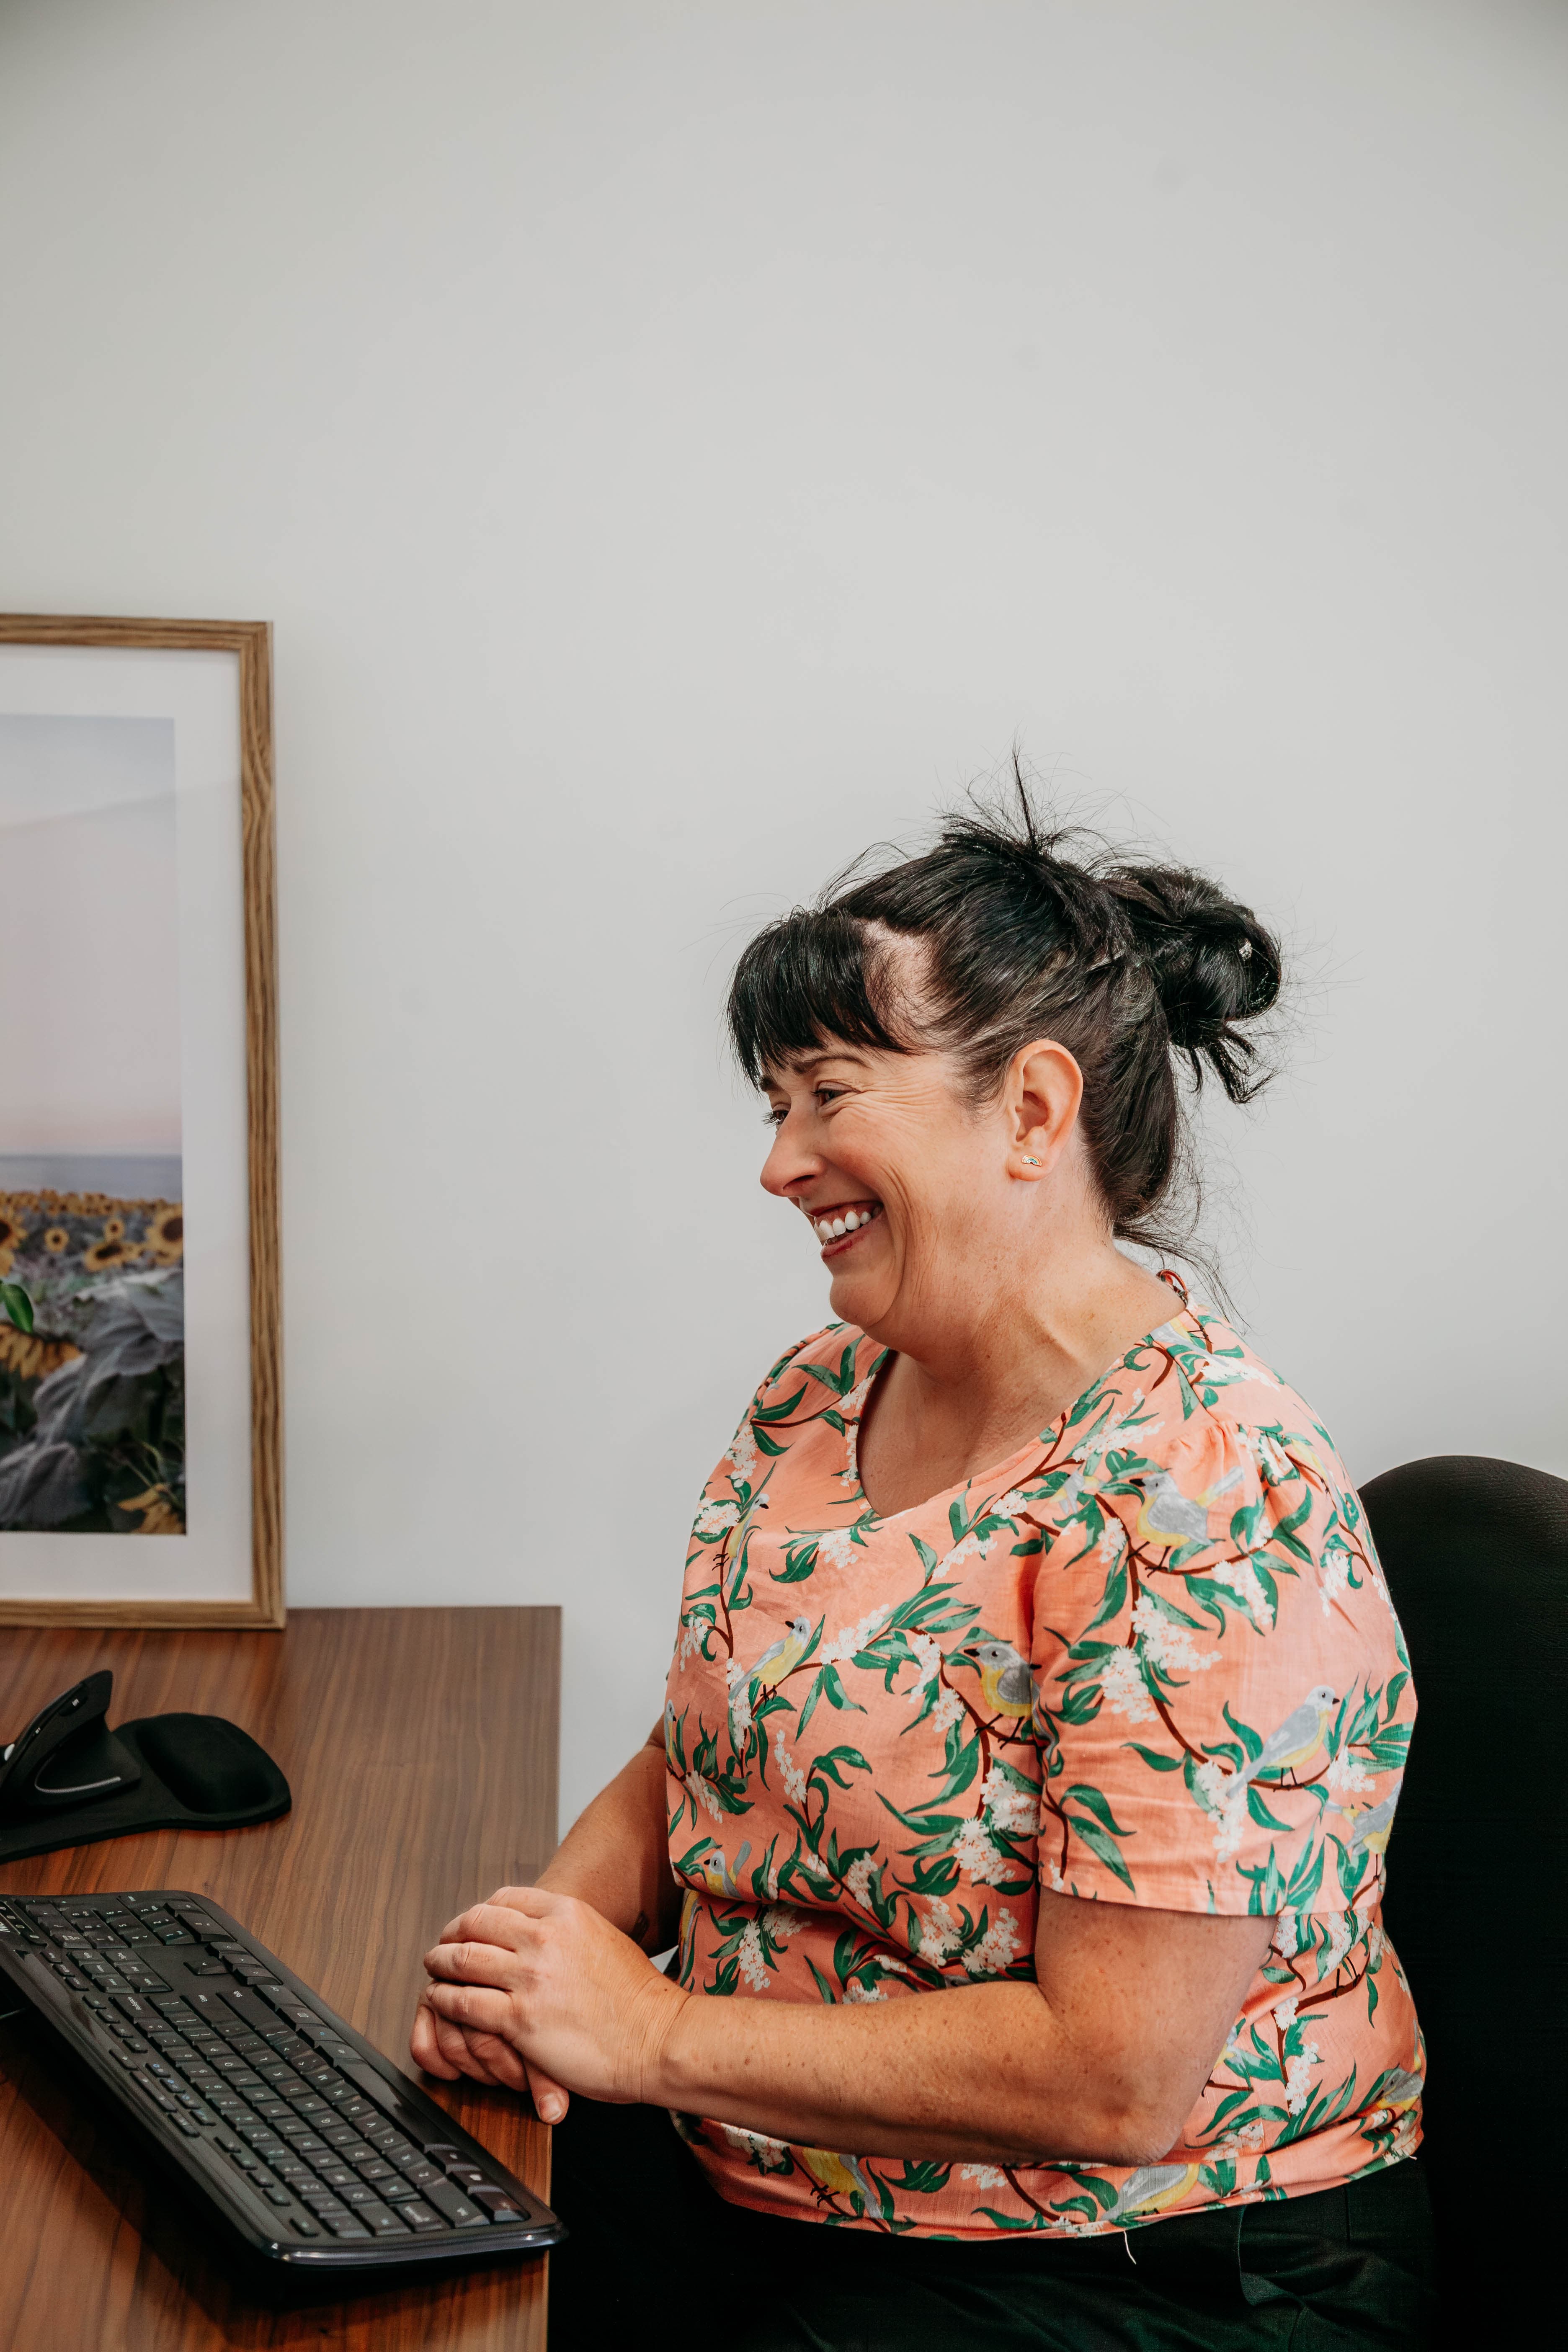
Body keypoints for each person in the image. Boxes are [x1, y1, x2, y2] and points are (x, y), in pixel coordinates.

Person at [411, 783, 1433, 2349]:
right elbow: (705, 1754)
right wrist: (534, 1969)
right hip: (773, 2172)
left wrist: (658, 2028)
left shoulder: (1210, 1492)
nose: (780, 1164)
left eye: (828, 1093)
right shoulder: (820, 1393)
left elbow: (1119, 2077)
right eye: (773, 1106)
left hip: (1143, 2267)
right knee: (372, 2237)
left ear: (1031, 1110)